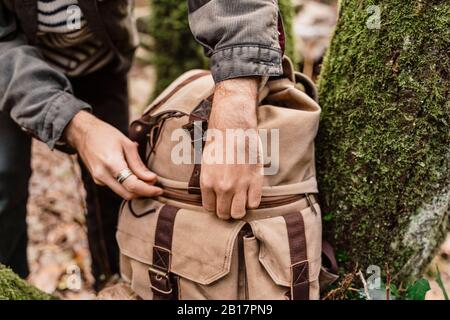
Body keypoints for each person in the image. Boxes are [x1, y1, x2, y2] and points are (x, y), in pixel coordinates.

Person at [0, 0, 284, 289]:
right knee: (5, 180)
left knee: (114, 191)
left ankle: (112, 282)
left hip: (101, 61)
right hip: (11, 67)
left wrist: (236, 95)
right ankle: (13, 280)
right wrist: (75, 126)